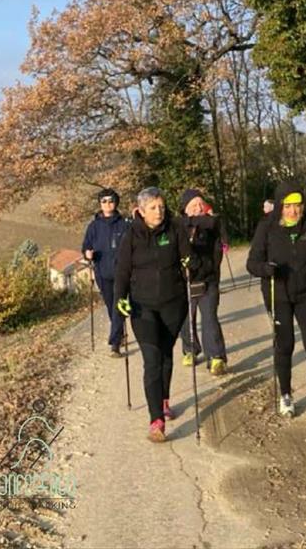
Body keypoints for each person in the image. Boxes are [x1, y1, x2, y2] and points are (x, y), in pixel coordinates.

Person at [246, 180, 306, 420]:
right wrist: (266, 269)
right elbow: (252, 263)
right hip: (278, 295)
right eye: (288, 206)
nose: (293, 211)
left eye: (297, 205)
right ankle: (286, 395)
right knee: (285, 344)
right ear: (280, 206)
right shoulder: (267, 227)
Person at [114, 187, 195, 443]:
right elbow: (122, 271)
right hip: (142, 306)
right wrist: (120, 298)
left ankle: (164, 399)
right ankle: (156, 420)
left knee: (166, 353)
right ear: (141, 211)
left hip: (173, 303)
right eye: (153, 208)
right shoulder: (131, 236)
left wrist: (190, 263)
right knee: (152, 359)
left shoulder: (176, 228)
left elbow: (188, 257)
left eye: (161, 206)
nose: (159, 211)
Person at [178, 188, 228, 376]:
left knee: (209, 317)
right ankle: (190, 350)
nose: (199, 207)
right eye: (194, 205)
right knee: (186, 318)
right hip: (185, 280)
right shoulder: (179, 226)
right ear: (185, 208)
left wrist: (207, 267)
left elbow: (220, 244)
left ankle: (216, 357)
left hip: (208, 279)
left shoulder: (212, 224)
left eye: (201, 203)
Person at [81, 188, 127, 356]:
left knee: (118, 305)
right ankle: (119, 332)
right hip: (102, 272)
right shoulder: (94, 226)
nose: (107, 204)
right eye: (104, 201)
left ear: (116, 203)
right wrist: (87, 254)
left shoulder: (125, 224)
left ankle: (115, 343)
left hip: (122, 272)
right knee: (110, 305)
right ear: (100, 204)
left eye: (111, 200)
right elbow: (86, 246)